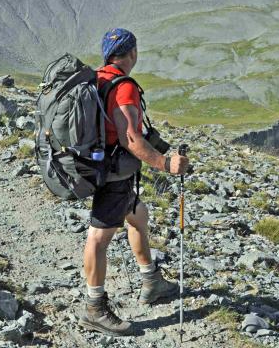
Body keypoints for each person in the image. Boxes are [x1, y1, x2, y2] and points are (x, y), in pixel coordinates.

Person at [78, 28, 189, 337]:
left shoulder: (98, 78)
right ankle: (94, 309)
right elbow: (130, 137)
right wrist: (167, 163)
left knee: (138, 215)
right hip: (115, 173)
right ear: (132, 53)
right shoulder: (123, 86)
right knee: (98, 238)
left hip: (101, 167)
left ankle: (151, 279)